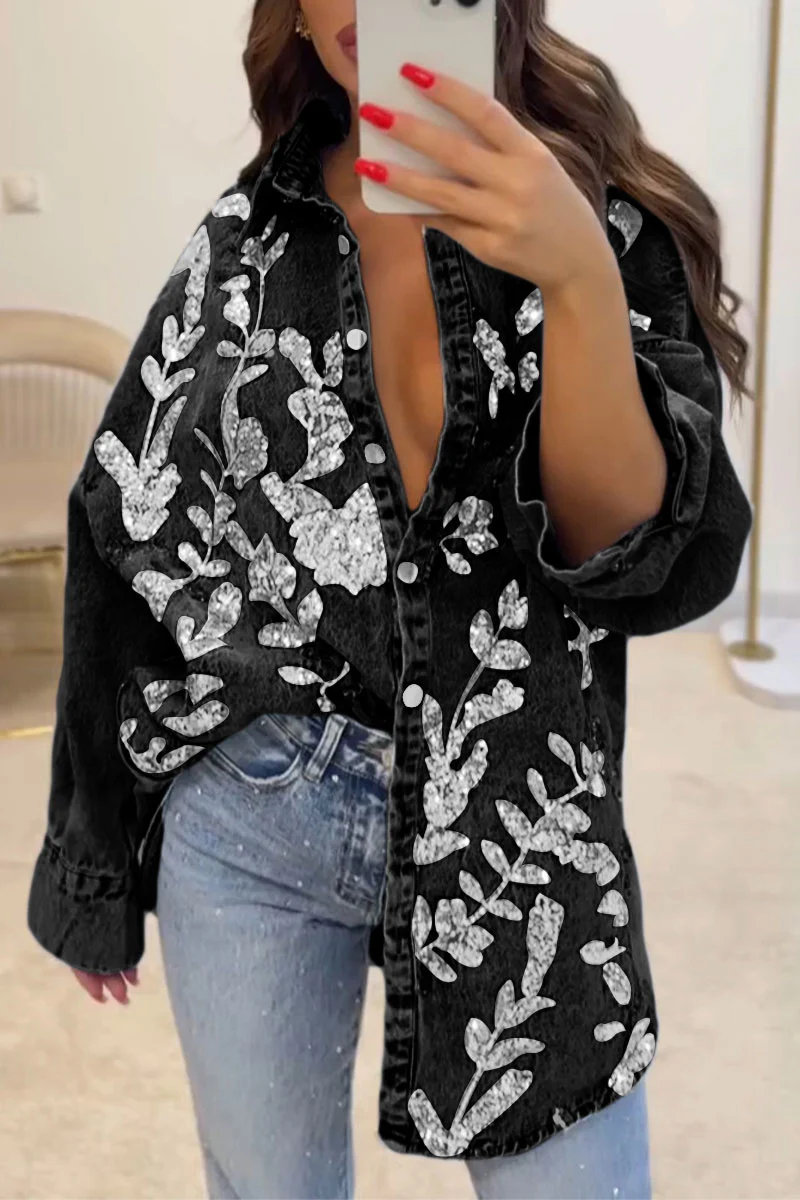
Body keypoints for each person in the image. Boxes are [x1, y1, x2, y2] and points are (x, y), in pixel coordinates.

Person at [26, 1, 754, 1197]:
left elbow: (633, 555)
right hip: (249, 814)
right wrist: (90, 865)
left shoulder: (595, 225)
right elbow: (124, 526)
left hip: (517, 816)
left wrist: (574, 273)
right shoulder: (242, 243)